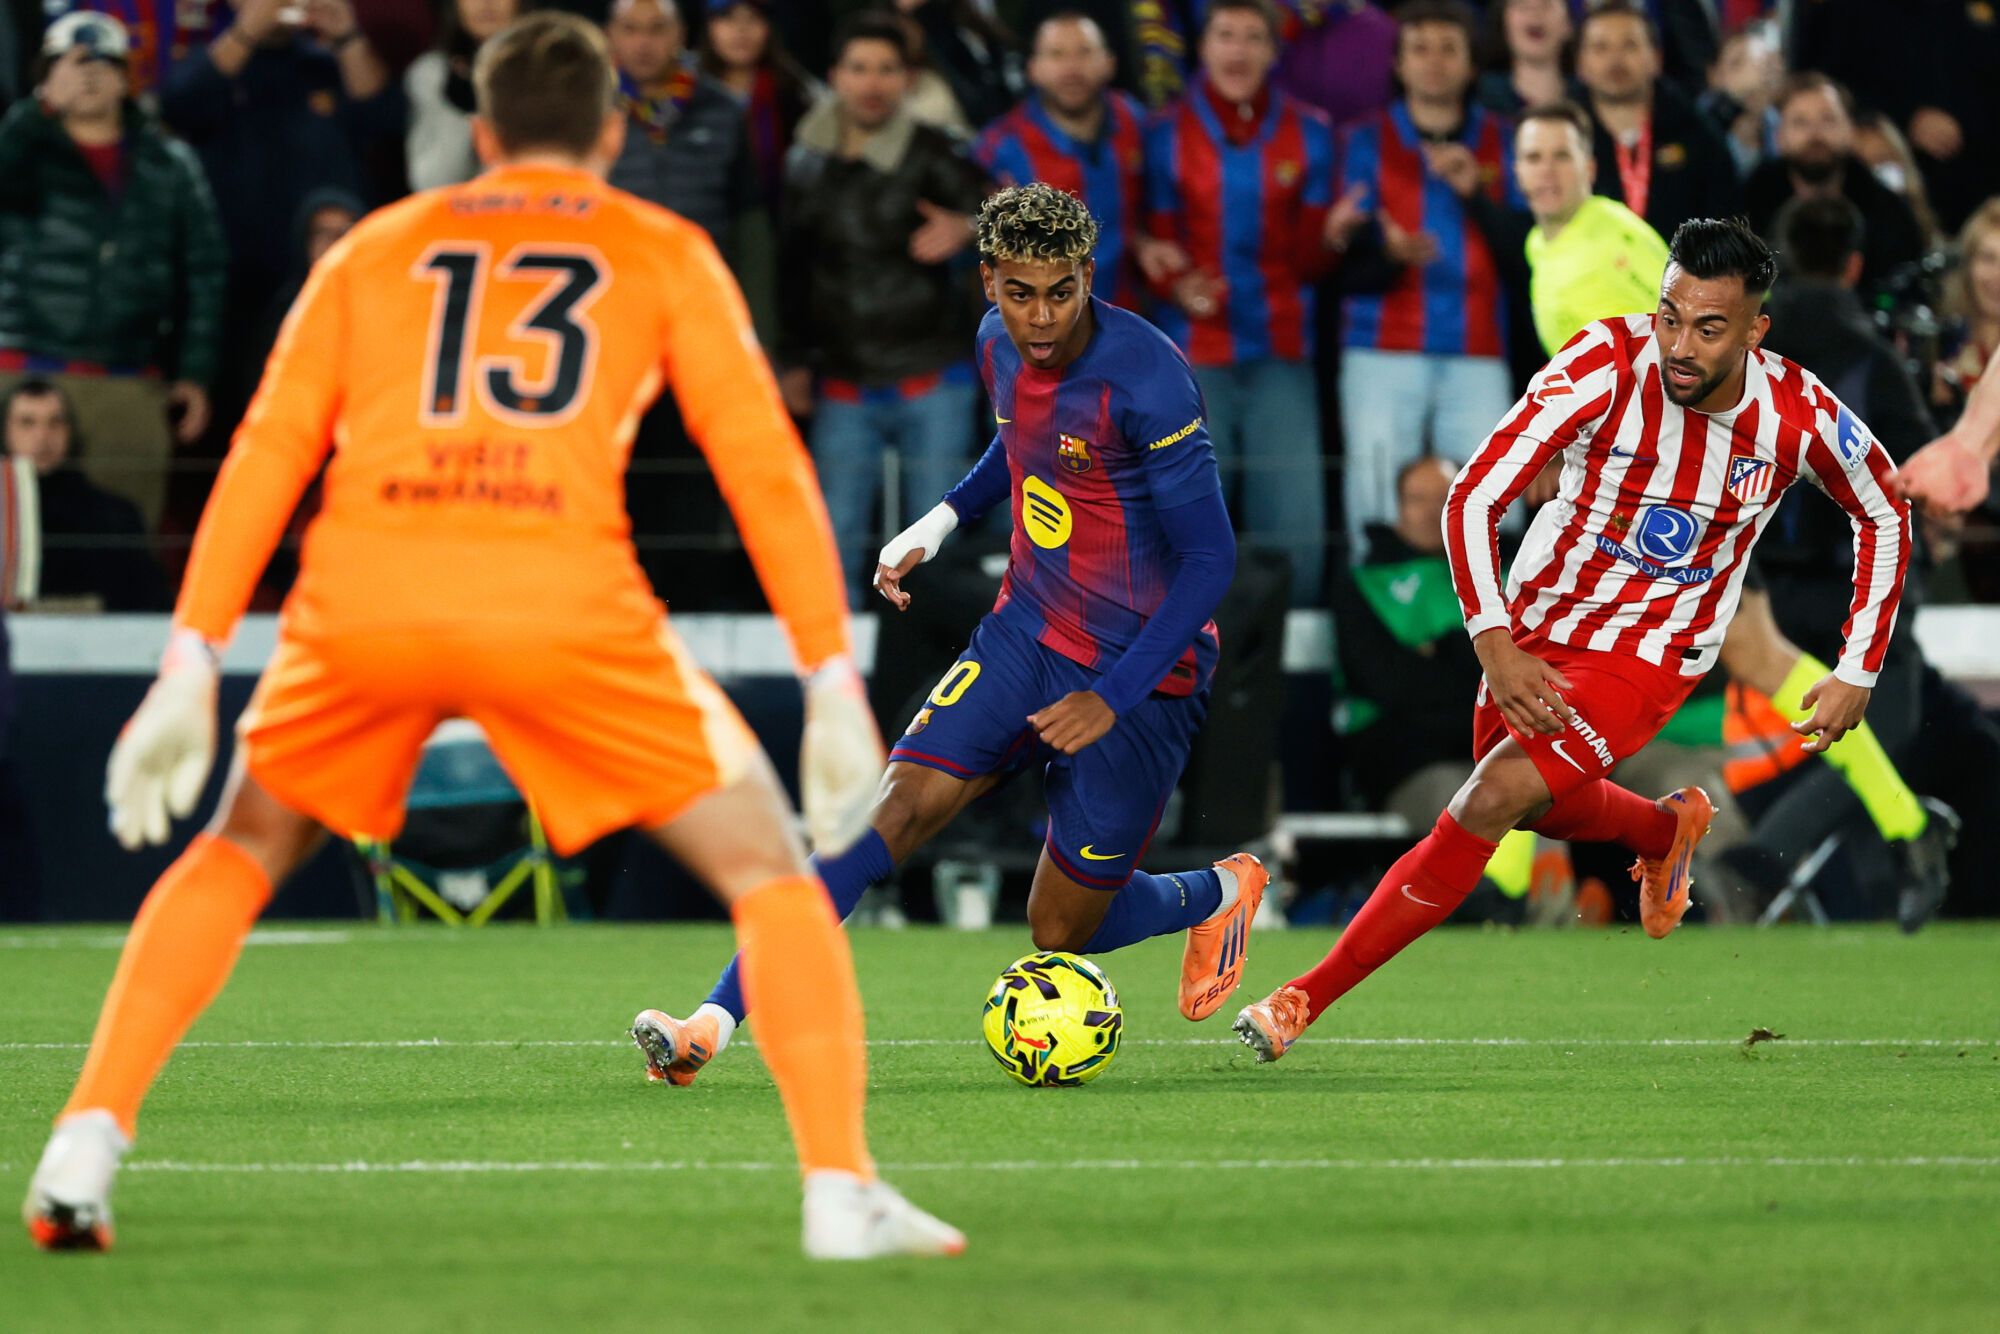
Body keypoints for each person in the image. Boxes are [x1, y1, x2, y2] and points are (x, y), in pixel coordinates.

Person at [21, 12, 962, 1262]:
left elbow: (266, 451)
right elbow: (765, 469)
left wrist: (190, 654)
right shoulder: (661, 246)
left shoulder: (379, 241)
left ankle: (85, 1136)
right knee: (774, 873)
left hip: (367, 596)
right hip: (558, 602)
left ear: (478, 132)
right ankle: (839, 1188)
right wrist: (828, 670)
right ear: (615, 131)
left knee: (239, 846)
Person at [1233, 217, 1912, 1061]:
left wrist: (1859, 667)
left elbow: (1885, 508)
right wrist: (1495, 644)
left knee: (1488, 798)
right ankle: (1665, 834)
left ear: (1755, 329)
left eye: (1709, 327)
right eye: (1670, 317)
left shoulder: (1795, 410)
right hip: (1535, 622)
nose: (1681, 346)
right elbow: (1472, 495)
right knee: (1532, 805)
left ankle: (1300, 999)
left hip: (1653, 650)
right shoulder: (1602, 363)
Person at [630, 183, 1260, 1085]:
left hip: (1139, 676)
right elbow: (1024, 443)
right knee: (887, 812)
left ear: (1088, 277)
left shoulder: (1150, 377)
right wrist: (942, 519)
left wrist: (1110, 697)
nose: (1039, 318)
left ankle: (1219, 891)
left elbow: (1210, 562)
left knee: (1062, 929)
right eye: (1018, 292)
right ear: (989, 283)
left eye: (1059, 292)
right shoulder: (996, 343)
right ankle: (709, 1025)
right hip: (1026, 631)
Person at [1715, 197, 1957, 930]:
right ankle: (1764, 863)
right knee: (1885, 724)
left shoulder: (1751, 345)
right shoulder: (1873, 358)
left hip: (1764, 577)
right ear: (1854, 265)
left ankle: (1875, 883)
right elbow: (1911, 480)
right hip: (1856, 571)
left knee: (1832, 731)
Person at [776, 11, 991, 596]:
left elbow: (1008, 209)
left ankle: (942, 676)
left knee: (936, 546)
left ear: (908, 79)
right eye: (859, 68)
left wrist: (966, 226)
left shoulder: (933, 152)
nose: (872, 83)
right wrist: (791, 362)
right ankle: (836, 677)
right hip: (841, 382)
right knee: (829, 546)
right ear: (834, 76)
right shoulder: (801, 160)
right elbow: (788, 271)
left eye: (887, 70)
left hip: (932, 378)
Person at [0, 13, 226, 532]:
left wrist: (194, 372)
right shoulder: (21, 144)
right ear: (45, 74)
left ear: (129, 77)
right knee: (9, 544)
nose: (89, 75)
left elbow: (204, 272)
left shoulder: (171, 164)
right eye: (72, 63)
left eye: (105, 64)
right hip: (22, 368)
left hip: (127, 376)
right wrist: (40, 110)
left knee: (122, 543)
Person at [1143, 0, 1336, 602]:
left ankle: (1298, 655)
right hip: (1190, 355)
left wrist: (1335, 237)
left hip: (1281, 345)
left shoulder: (1312, 133)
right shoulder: (1163, 134)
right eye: (1225, 35)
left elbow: (1312, 262)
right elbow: (1144, 239)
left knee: (1295, 517)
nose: (1238, 50)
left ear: (1273, 52)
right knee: (1189, 518)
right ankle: (1184, 653)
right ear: (1203, 48)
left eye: (1253, 37)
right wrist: (1175, 284)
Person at [1331, 0, 1519, 564]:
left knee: (1495, 502)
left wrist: (1476, 197)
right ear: (1398, 64)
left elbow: (1526, 249)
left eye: (1448, 49)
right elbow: (1336, 261)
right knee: (1376, 496)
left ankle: (1494, 643)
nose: (1434, 62)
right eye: (1420, 49)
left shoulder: (1507, 142)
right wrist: (1383, 252)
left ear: (1470, 65)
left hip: (1479, 347)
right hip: (1380, 346)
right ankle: (1378, 638)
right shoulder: (1361, 141)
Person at [974, 11, 1147, 308]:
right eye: (1056, 54)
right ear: (1033, 69)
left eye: (1084, 52)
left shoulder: (1135, 120)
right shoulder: (997, 148)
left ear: (1109, 64)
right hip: (1041, 331)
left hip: (1128, 318)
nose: (1071, 68)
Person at [1743, 74, 1926, 302]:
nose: (1815, 134)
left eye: (1828, 120)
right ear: (1779, 137)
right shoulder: (1746, 209)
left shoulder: (1888, 212)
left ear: (1850, 131)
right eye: (1800, 122)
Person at [1573, 0, 1739, 243]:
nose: (1615, 60)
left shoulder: (1698, 134)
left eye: (1629, 45)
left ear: (1656, 58)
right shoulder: (1564, 136)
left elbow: (1726, 228)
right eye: (1600, 48)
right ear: (1580, 64)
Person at [2, 379, 167, 611]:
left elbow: (148, 606)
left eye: (55, 422)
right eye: (27, 423)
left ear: (71, 431)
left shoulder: (115, 516)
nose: (43, 436)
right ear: (5, 432)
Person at [406, 0, 531, 191]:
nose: (487, 3)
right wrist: (461, 104)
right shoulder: (432, 74)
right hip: (457, 212)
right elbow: (431, 183)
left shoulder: (551, 73)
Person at [1473, 0, 1575, 118]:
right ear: (1503, 22)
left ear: (1569, 24)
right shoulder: (1479, 98)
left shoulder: (1589, 97)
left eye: (1546, 4)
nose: (1535, 13)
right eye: (1522, 5)